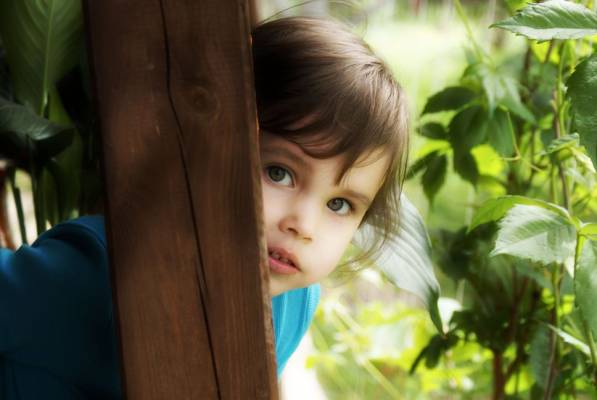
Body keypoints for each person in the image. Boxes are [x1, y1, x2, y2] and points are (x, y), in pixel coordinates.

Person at [0, 16, 409, 399]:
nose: (303, 225)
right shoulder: (102, 268)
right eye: (279, 173)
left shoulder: (295, 301)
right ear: (208, 145)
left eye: (339, 204)